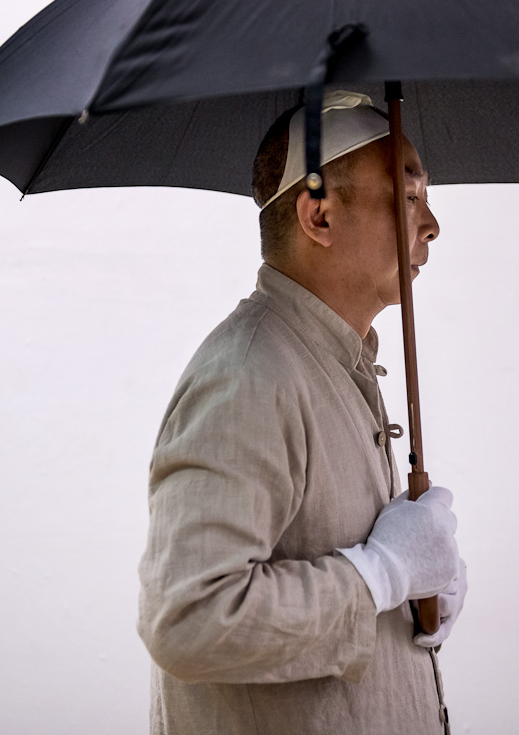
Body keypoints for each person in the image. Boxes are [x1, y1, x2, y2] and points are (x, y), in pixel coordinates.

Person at [138, 91, 468, 735]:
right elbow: (189, 620)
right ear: (319, 214)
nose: (431, 224)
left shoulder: (333, 359)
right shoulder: (250, 374)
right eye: (407, 196)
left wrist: (416, 583)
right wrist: (381, 574)